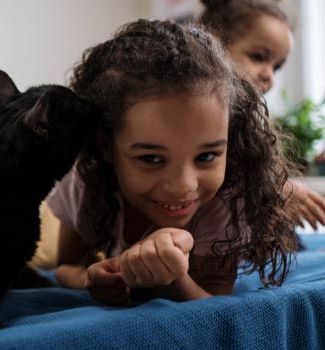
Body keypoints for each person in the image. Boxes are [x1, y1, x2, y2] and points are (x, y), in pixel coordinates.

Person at [47, 19, 298, 305]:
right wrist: (92, 279)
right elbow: (66, 267)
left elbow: (214, 306)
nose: (183, 186)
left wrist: (171, 281)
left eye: (206, 156)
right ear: (105, 146)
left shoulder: (227, 196)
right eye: (151, 158)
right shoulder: (84, 180)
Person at [197, 0, 325, 233]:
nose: (269, 76)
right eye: (258, 57)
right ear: (214, 43)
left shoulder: (246, 119)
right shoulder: (196, 114)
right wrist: (274, 189)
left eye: (276, 66)